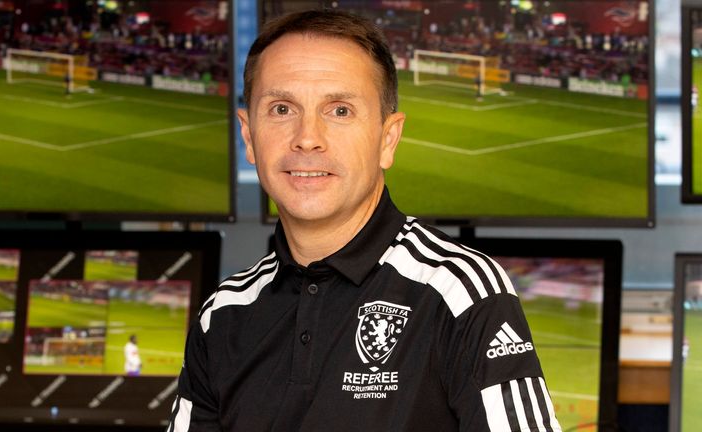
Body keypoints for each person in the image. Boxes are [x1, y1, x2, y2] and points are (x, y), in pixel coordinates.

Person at [167, 10, 561, 432]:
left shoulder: (459, 291)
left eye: (339, 110)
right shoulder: (223, 313)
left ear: (387, 139)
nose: (307, 137)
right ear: (248, 135)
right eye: (282, 108)